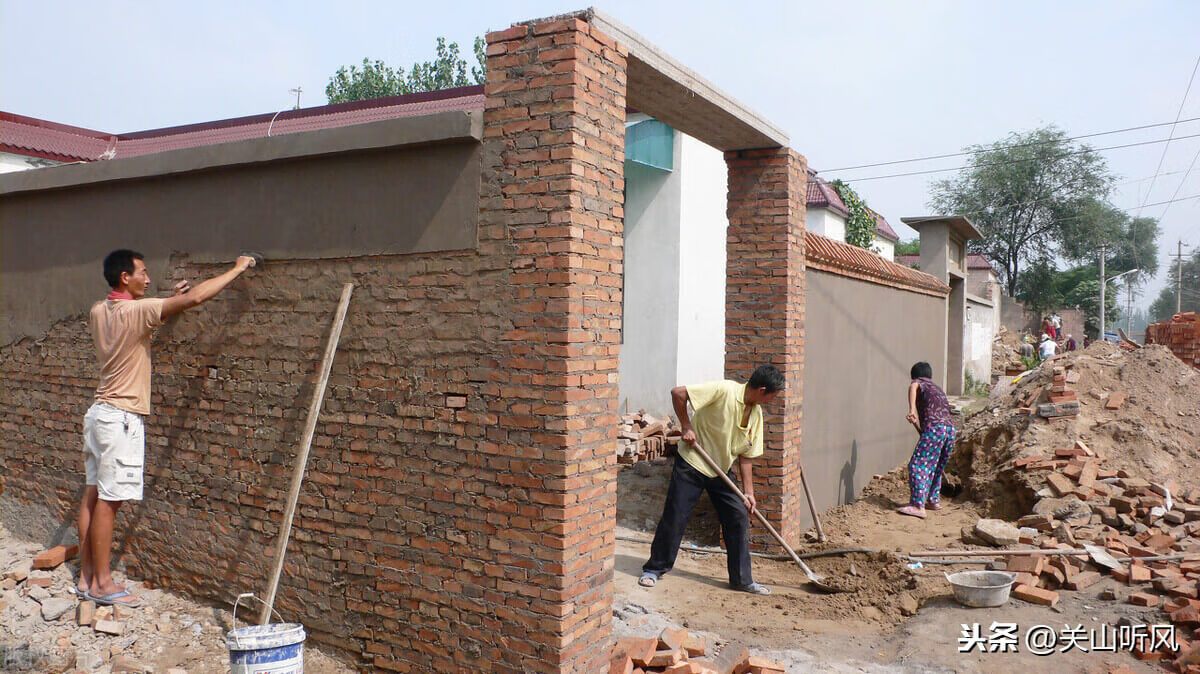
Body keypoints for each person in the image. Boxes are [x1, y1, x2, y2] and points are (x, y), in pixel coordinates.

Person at [77, 249, 257, 608]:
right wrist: (238, 268)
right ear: (125, 278)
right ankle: (103, 584)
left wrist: (167, 301)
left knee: (93, 495)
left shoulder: (100, 311)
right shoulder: (138, 311)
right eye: (142, 272)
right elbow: (196, 298)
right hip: (121, 419)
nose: (147, 278)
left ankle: (86, 578)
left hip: (98, 414)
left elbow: (145, 320)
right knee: (110, 503)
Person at [639, 365, 784, 595]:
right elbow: (678, 393)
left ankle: (741, 580)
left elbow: (746, 456)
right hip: (693, 462)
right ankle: (654, 569)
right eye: (772, 396)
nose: (772, 401)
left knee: (737, 515)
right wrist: (686, 425)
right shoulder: (725, 390)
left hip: (721, 471)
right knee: (676, 515)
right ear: (762, 390)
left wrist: (749, 493)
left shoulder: (756, 414)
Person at [897, 362, 955, 519]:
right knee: (935, 466)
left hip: (935, 428)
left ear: (915, 376)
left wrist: (911, 410)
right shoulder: (937, 388)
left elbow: (913, 387)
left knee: (918, 465)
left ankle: (917, 506)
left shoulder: (918, 383)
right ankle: (932, 500)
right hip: (950, 430)